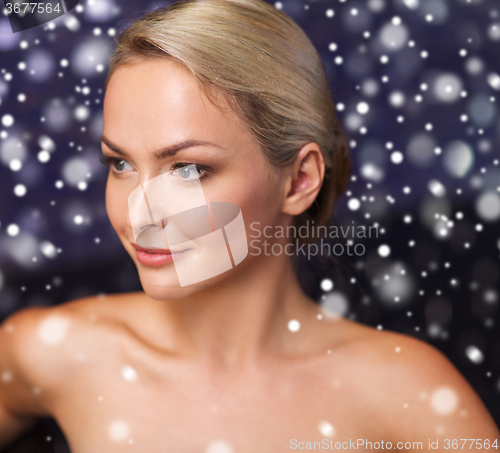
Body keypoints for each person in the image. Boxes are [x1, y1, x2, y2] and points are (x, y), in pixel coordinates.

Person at [0, 0, 498, 451]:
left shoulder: (404, 394)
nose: (139, 214)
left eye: (189, 169)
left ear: (299, 179)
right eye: (120, 164)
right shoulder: (54, 353)